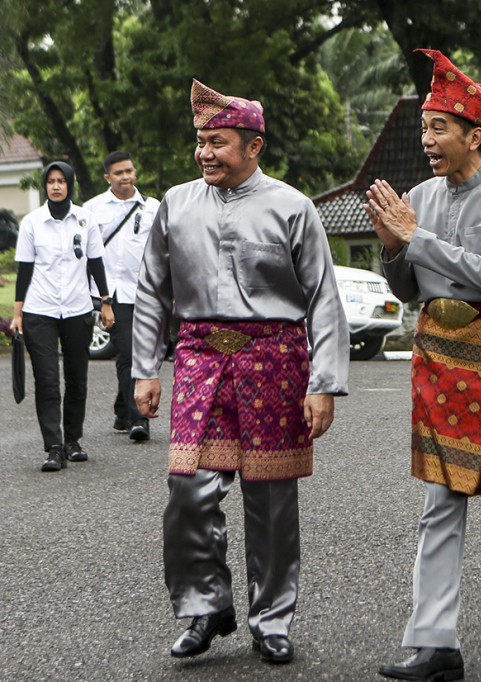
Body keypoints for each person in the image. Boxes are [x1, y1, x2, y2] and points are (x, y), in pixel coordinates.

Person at [132, 79, 349, 664]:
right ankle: (203, 606)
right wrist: (144, 370)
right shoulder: (174, 204)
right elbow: (152, 289)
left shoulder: (292, 206)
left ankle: (271, 617)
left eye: (219, 141)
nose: (205, 152)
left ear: (254, 145)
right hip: (201, 358)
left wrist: (325, 383)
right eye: (201, 141)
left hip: (275, 359)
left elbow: (324, 299)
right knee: (188, 488)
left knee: (272, 497)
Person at [367, 49, 481, 682]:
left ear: (475, 135)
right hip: (441, 353)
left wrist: (415, 237)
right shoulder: (417, 196)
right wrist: (392, 251)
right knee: (442, 494)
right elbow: (411, 288)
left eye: (438, 128)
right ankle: (435, 641)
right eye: (424, 127)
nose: (427, 139)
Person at [11, 162, 114, 471]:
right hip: (39, 310)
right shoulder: (32, 222)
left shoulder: (85, 219)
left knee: (76, 378)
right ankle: (53, 447)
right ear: (45, 186)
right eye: (50, 181)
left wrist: (106, 303)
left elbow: (95, 262)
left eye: (61, 181)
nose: (56, 186)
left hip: (77, 308)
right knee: (47, 381)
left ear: (70, 185)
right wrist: (17, 314)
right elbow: (24, 271)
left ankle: (73, 441)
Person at [83, 151, 160, 442]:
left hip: (144, 291)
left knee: (136, 352)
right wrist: (100, 299)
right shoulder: (92, 209)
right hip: (109, 295)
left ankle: (121, 409)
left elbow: (164, 250)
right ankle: (139, 419)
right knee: (129, 351)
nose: (125, 176)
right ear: (108, 178)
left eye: (129, 171)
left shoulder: (152, 208)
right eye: (119, 173)